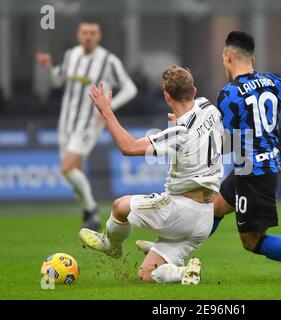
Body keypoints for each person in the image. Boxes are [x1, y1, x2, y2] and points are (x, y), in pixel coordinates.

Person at [137, 31, 281, 279]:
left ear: (228, 56)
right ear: (252, 59)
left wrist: (183, 133)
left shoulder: (229, 93)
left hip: (254, 175)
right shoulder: (274, 82)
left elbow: (220, 140)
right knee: (212, 209)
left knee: (252, 242)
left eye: (223, 59)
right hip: (255, 168)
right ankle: (170, 253)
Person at [79, 65, 224, 285]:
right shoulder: (209, 108)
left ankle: (111, 246)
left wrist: (106, 111)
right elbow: (215, 137)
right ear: (193, 91)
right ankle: (184, 273)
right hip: (205, 216)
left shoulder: (179, 132)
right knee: (147, 275)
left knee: (120, 206)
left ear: (166, 96)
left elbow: (128, 147)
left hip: (180, 212)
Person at [36, 22, 137, 231]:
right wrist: (47, 69)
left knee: (66, 168)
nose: (88, 36)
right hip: (66, 122)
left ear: (98, 36)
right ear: (78, 35)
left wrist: (109, 108)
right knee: (73, 174)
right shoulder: (71, 55)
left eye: (92, 33)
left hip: (88, 124)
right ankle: (87, 212)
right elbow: (56, 81)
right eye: (84, 33)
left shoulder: (108, 60)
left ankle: (91, 209)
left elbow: (130, 88)